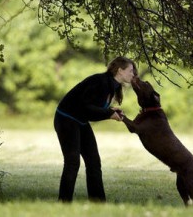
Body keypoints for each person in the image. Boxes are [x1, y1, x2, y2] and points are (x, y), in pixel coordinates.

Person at [54, 56, 137, 202]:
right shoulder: (100, 81)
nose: (133, 74)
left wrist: (110, 110)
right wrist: (109, 114)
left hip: (80, 120)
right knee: (73, 162)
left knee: (94, 162)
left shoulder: (113, 85)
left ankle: (98, 204)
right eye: (130, 71)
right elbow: (87, 108)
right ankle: (63, 203)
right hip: (66, 119)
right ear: (120, 71)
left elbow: (94, 108)